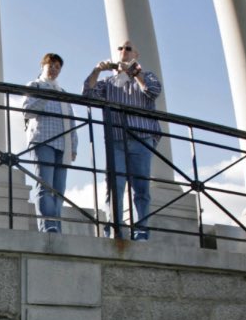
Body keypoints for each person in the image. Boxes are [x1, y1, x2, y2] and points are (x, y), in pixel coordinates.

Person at [82, 40, 162, 240]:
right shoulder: (108, 83)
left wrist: (134, 73)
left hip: (141, 139)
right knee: (114, 188)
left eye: (128, 48)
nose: (123, 51)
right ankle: (114, 230)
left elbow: (152, 91)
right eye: (120, 48)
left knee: (141, 188)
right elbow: (87, 94)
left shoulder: (147, 76)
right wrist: (97, 70)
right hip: (116, 141)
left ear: (136, 54)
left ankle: (141, 232)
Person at [23, 52, 78, 233]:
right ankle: (48, 225)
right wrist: (46, 95)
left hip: (63, 145)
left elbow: (71, 121)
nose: (54, 69)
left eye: (57, 67)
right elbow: (27, 111)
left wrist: (74, 146)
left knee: (59, 190)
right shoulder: (35, 85)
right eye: (51, 65)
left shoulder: (62, 93)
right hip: (43, 140)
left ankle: (56, 225)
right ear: (43, 66)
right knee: (45, 185)